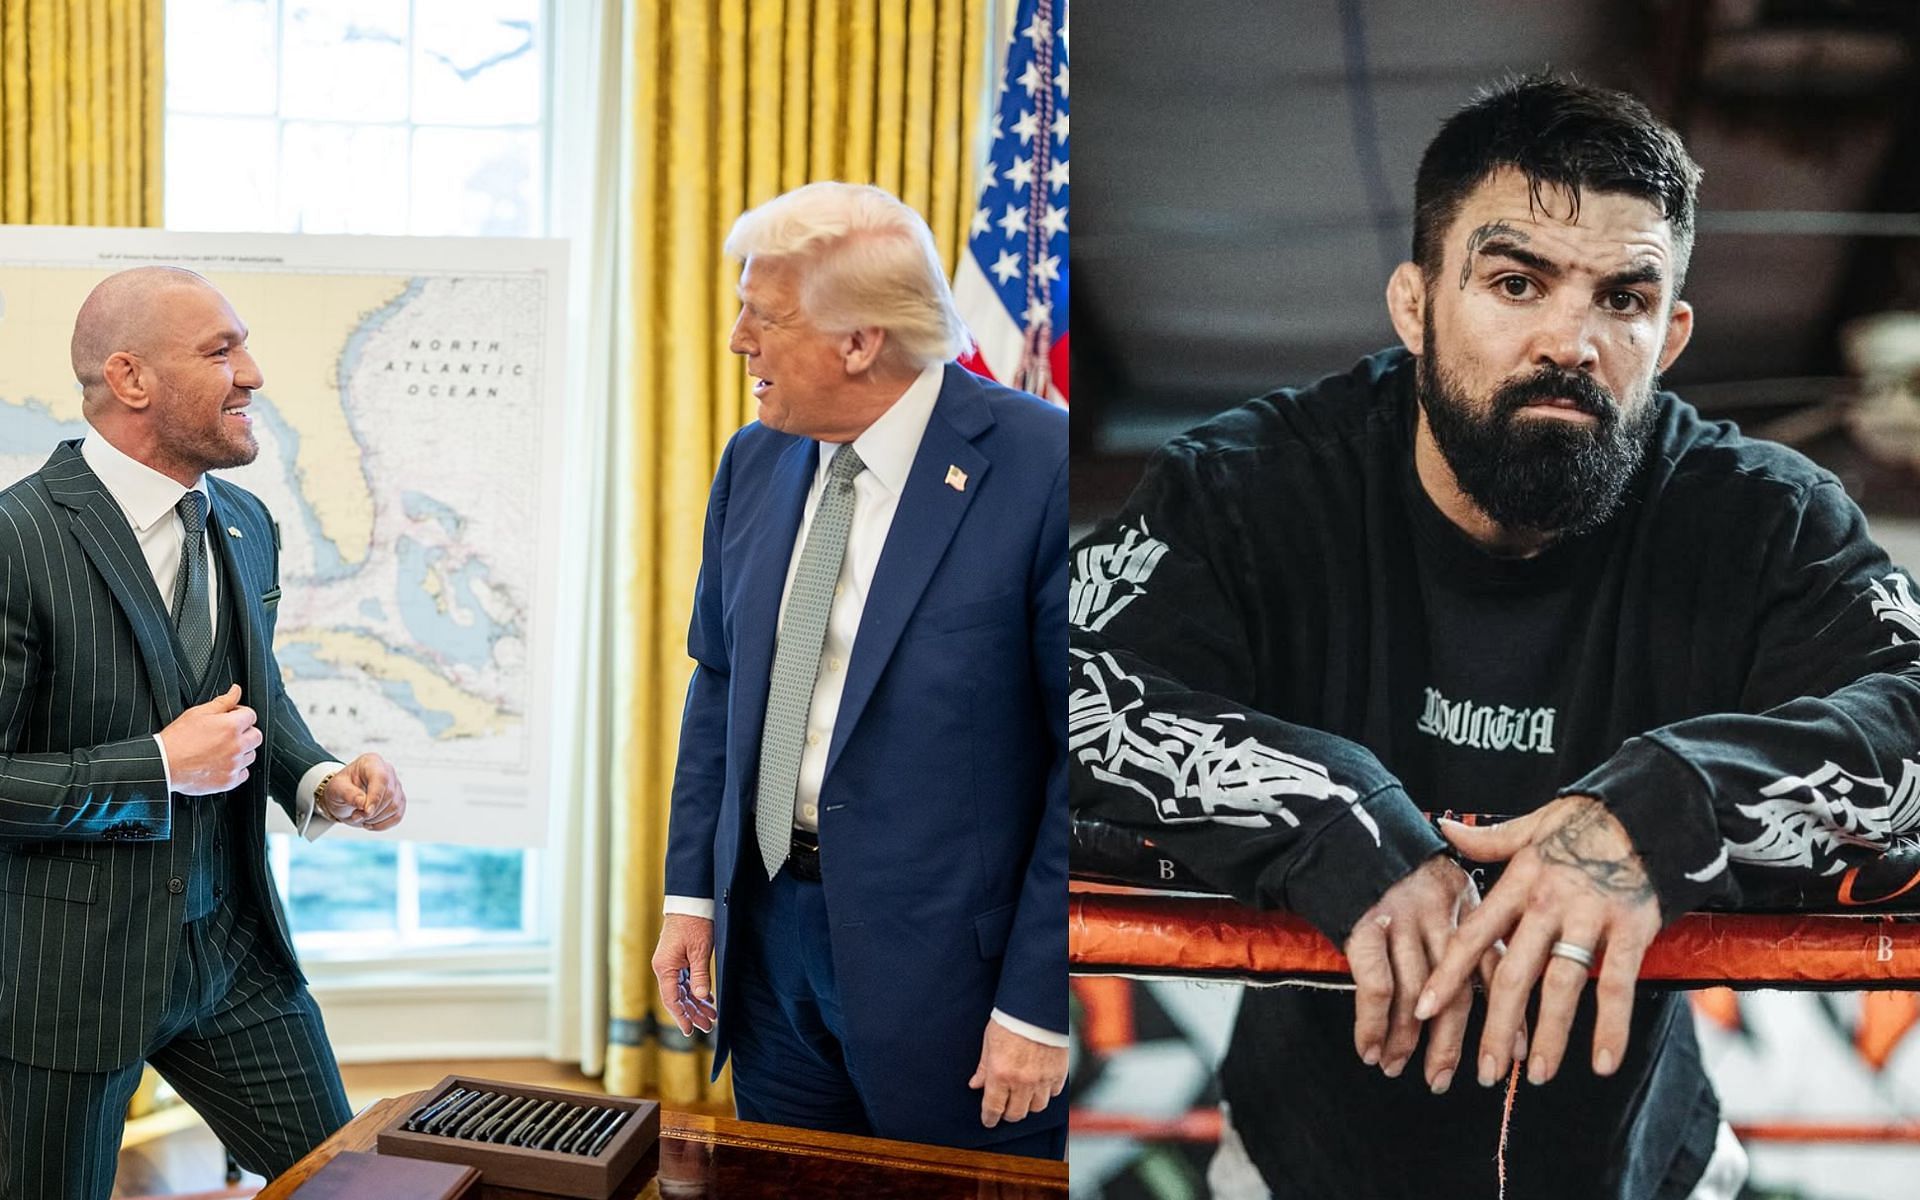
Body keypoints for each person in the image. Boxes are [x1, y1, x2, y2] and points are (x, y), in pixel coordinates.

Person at [1069, 75, 1920, 1199]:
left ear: (1670, 336)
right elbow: (1048, 681)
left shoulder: (1761, 520)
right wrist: (1331, 815)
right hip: (1296, 1165)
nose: (1571, 339)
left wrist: (1662, 809)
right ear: (1415, 304)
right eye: (1517, 281)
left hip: (1645, 1171)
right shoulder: (1249, 491)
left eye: (1623, 298)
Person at [650, 181, 1068, 1157]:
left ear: (859, 340)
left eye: (764, 313)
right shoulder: (754, 460)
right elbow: (718, 683)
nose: (738, 339)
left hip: (954, 985)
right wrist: (691, 899)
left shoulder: (1040, 469)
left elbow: (1079, 765)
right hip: (768, 954)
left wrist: (1040, 1006)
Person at [0, 266, 408, 1198]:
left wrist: (318, 776)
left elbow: (249, 691)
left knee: (342, 1181)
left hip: (233, 955)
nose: (254, 373)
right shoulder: (15, 540)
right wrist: (152, 767)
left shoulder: (247, 521)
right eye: (221, 351)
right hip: (66, 979)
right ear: (132, 378)